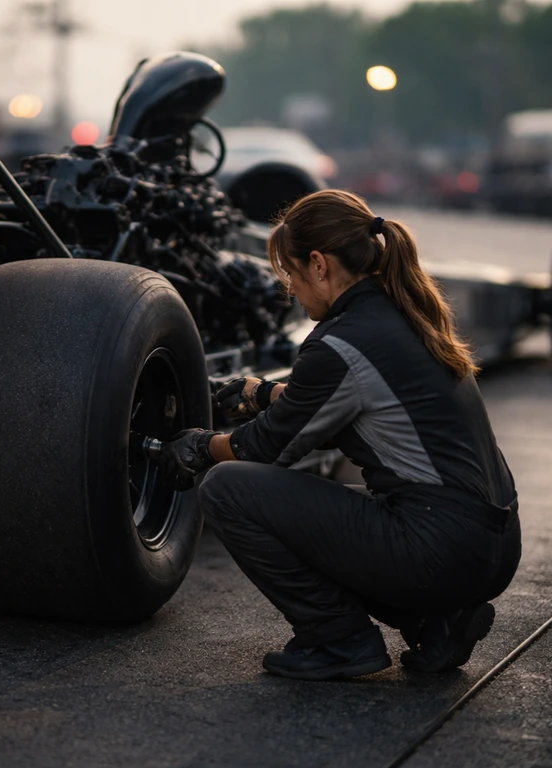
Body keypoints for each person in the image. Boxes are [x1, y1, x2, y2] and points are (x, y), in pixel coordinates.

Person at [156, 189, 521, 682]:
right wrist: (262, 394)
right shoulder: (402, 314)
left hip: (440, 546)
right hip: (490, 542)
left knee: (228, 489)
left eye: (290, 274)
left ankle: (337, 637)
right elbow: (341, 404)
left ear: (319, 264)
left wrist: (201, 446)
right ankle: (436, 622)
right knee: (326, 513)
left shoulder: (340, 341)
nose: (290, 290)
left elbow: (264, 450)